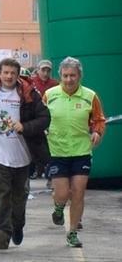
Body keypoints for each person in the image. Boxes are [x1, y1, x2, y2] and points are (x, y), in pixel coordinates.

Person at [0, 57, 50, 250]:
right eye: (5, 72)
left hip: (23, 155)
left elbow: (45, 118)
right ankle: (1, 233)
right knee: (2, 192)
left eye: (12, 73)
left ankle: (17, 225)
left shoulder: (29, 93)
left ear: (17, 74)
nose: (8, 76)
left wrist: (25, 126)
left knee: (19, 197)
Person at [43, 57, 106, 248]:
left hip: (81, 151)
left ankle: (72, 232)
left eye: (73, 76)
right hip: (57, 151)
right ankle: (59, 208)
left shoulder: (90, 96)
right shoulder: (49, 95)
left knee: (78, 192)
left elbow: (99, 119)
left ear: (79, 76)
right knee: (62, 193)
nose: (69, 80)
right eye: (65, 76)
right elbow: (39, 116)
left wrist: (96, 131)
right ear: (60, 76)